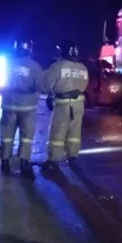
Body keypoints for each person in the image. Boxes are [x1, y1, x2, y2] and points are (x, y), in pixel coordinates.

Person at [0, 39, 43, 178]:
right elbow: (39, 86)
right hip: (28, 107)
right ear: (29, 48)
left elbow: (0, 83)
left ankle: (5, 162)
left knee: (7, 135)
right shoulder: (35, 66)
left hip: (9, 105)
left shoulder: (6, 64)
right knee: (26, 136)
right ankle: (24, 162)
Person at [42, 40, 88, 169]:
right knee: (74, 131)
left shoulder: (58, 66)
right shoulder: (82, 67)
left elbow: (46, 85)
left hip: (63, 104)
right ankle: (73, 156)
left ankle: (53, 159)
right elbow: (84, 84)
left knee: (57, 132)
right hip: (79, 103)